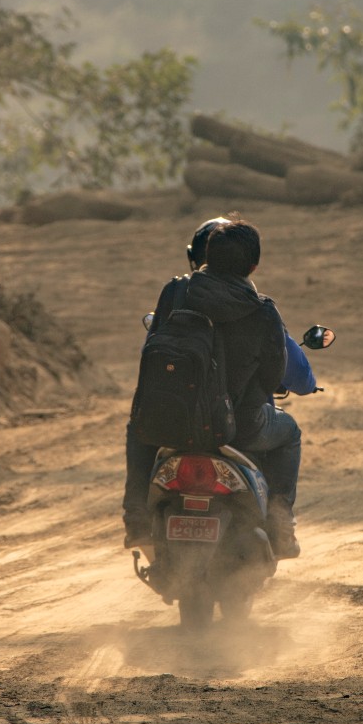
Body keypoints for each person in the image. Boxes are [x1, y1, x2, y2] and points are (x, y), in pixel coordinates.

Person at [124, 216, 304, 558]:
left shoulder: (174, 292)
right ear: (254, 265)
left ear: (206, 257)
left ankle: (136, 521)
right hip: (239, 428)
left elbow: (153, 349)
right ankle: (281, 527)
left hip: (172, 420)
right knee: (290, 433)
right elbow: (272, 375)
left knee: (138, 428)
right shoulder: (263, 311)